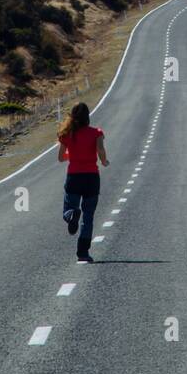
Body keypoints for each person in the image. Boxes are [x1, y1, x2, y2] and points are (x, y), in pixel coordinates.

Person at [57, 102, 108, 262]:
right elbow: (100, 150)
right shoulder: (96, 133)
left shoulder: (67, 134)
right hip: (91, 177)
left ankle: (71, 214)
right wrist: (104, 161)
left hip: (74, 177)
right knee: (88, 216)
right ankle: (83, 253)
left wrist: (72, 155)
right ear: (88, 116)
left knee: (69, 207)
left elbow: (60, 158)